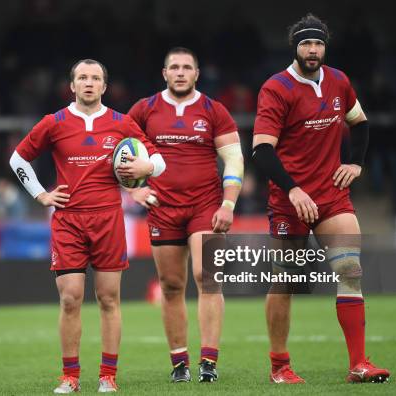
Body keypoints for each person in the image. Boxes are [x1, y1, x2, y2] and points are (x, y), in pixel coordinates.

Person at [9, 59, 165, 394]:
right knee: (70, 299)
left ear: (104, 87)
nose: (89, 83)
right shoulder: (55, 122)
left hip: (108, 218)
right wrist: (40, 195)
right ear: (72, 85)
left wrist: (145, 166)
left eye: (95, 78)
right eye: (83, 77)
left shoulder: (121, 123)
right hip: (68, 221)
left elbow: (160, 162)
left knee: (109, 298)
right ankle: (70, 377)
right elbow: (18, 159)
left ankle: (108, 376)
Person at [251, 14, 390, 384]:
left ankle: (359, 363)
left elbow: (359, 121)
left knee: (350, 272)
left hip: (330, 197)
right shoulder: (276, 88)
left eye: (318, 44)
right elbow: (262, 151)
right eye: (305, 43)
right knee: (285, 281)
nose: (312, 50)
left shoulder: (339, 81)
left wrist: (356, 164)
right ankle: (279, 366)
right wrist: (293, 188)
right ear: (294, 47)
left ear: (325, 46)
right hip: (289, 200)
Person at [128, 47, 243, 383]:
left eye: (186, 67)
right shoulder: (144, 109)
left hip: (206, 206)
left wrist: (228, 203)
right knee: (171, 284)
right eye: (174, 67)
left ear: (197, 73)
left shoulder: (214, 110)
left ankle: (209, 361)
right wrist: (134, 190)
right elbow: (117, 153)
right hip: (162, 208)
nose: (180, 72)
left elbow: (234, 159)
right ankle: (180, 363)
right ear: (164, 73)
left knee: (206, 275)